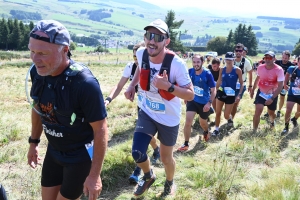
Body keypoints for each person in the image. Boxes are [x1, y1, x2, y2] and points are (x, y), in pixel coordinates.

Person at [27, 20, 108, 200]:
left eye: (42, 53)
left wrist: (94, 175)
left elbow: (100, 130)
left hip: (79, 157)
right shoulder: (38, 72)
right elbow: (38, 108)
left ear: (64, 50)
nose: (35, 58)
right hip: (54, 151)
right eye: (32, 51)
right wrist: (34, 142)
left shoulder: (84, 84)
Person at [124, 19, 194, 198]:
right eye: (148, 35)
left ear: (166, 41)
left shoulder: (176, 64)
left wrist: (168, 86)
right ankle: (148, 176)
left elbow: (190, 94)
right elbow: (141, 68)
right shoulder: (141, 53)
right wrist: (132, 85)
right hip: (147, 110)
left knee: (165, 158)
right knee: (137, 152)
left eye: (157, 37)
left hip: (168, 118)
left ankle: (170, 182)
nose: (152, 41)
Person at [104, 42, 160, 184]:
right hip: (141, 107)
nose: (136, 59)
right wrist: (109, 99)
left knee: (141, 139)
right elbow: (119, 85)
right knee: (145, 136)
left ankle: (138, 171)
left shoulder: (153, 65)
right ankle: (156, 149)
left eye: (138, 56)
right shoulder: (130, 67)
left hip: (154, 108)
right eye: (134, 56)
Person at [177, 54, 216, 152]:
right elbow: (186, 85)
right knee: (188, 122)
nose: (196, 64)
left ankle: (206, 131)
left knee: (203, 123)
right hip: (192, 101)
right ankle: (185, 144)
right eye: (194, 62)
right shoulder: (189, 72)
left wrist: (209, 103)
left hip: (204, 103)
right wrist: (186, 96)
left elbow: (213, 89)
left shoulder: (207, 74)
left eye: (198, 62)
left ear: (202, 62)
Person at [251, 51, 284, 131]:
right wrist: (253, 90)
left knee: (271, 113)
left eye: (269, 58)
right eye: (266, 57)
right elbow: (257, 79)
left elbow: (280, 86)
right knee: (258, 111)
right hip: (261, 92)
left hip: (273, 94)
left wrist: (272, 98)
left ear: (274, 59)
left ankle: (272, 122)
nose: (267, 60)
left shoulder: (279, 70)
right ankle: (254, 131)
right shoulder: (260, 67)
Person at [212, 52, 243, 136]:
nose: (228, 61)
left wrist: (239, 94)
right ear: (225, 60)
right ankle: (216, 129)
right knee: (218, 112)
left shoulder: (237, 70)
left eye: (230, 60)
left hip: (231, 95)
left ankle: (229, 119)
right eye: (227, 59)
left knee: (226, 115)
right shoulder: (222, 69)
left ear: (234, 60)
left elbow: (241, 83)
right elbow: (219, 81)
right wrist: (215, 90)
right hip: (221, 93)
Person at [264, 50, 294, 118]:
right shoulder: (277, 62)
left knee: (282, 97)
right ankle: (269, 112)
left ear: (289, 58)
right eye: (283, 57)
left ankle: (279, 111)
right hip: (275, 84)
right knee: (272, 97)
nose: (284, 59)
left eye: (286, 58)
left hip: (284, 84)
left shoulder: (291, 65)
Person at [231, 43, 253, 123]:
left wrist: (250, 86)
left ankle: (231, 120)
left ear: (242, 51)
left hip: (240, 85)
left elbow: (250, 73)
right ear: (234, 51)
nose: (238, 52)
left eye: (240, 50)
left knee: (235, 103)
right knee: (229, 102)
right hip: (230, 85)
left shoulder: (246, 62)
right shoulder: (230, 60)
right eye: (236, 50)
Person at [282, 56, 300, 134]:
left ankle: (294, 119)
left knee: (299, 112)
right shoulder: (292, 68)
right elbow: (286, 75)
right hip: (292, 93)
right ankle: (286, 127)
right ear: (298, 62)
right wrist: (285, 84)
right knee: (288, 110)